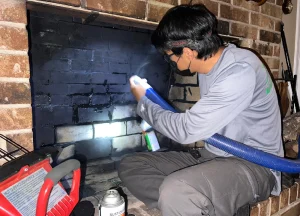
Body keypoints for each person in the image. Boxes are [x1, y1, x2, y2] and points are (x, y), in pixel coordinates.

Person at [118, 4, 283, 216]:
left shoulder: (239, 72)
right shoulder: (209, 66)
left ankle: (184, 200)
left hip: (255, 166)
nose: (171, 61)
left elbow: (185, 130)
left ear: (187, 52)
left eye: (170, 56)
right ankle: (194, 205)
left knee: (176, 191)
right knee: (131, 165)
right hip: (214, 155)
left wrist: (143, 103)